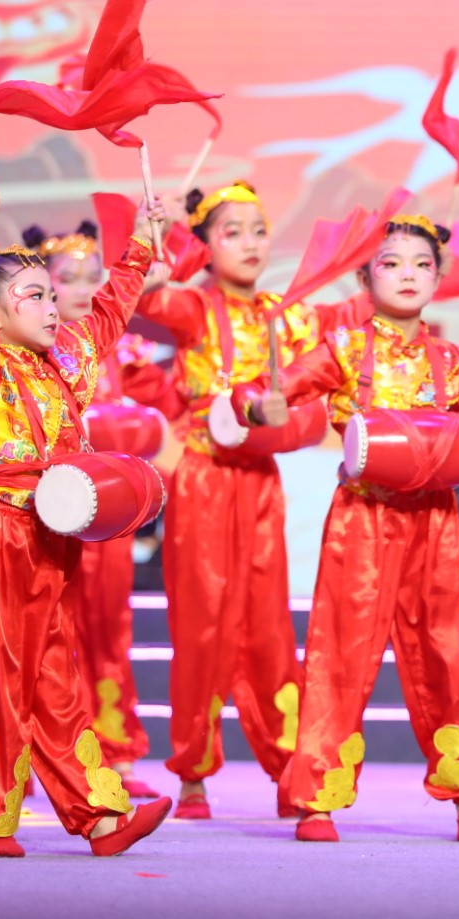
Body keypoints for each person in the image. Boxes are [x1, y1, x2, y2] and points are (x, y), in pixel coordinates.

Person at [249, 214, 459, 843]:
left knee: (445, 653)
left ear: (438, 277)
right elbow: (269, 390)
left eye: (421, 264)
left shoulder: (453, 361)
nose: (407, 274)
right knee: (341, 653)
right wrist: (257, 404)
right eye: (391, 263)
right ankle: (317, 797)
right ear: (364, 277)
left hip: (434, 519)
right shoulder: (344, 350)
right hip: (362, 519)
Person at [0, 174, 172, 858]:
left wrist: (141, 247)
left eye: (51, 294)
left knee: (54, 678)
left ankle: (99, 815)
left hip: (50, 536)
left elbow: (109, 311)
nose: (50, 307)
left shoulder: (65, 359)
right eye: (33, 296)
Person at [136, 182, 320, 819]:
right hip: (203, 480)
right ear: (207, 246)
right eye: (231, 232)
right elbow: (144, 300)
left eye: (258, 230)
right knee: (202, 622)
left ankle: (289, 766)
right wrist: (155, 243)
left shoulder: (288, 317)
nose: (249, 243)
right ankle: (193, 772)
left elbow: (315, 398)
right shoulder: (194, 307)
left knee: (268, 626)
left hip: (259, 483)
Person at [27, 221, 175, 799]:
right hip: (44, 510)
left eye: (94, 277)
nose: (85, 288)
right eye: (68, 279)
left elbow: (163, 410)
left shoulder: (117, 348)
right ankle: (35, 752)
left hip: (106, 516)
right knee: (44, 630)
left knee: (110, 630)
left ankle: (114, 749)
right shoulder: (29, 351)